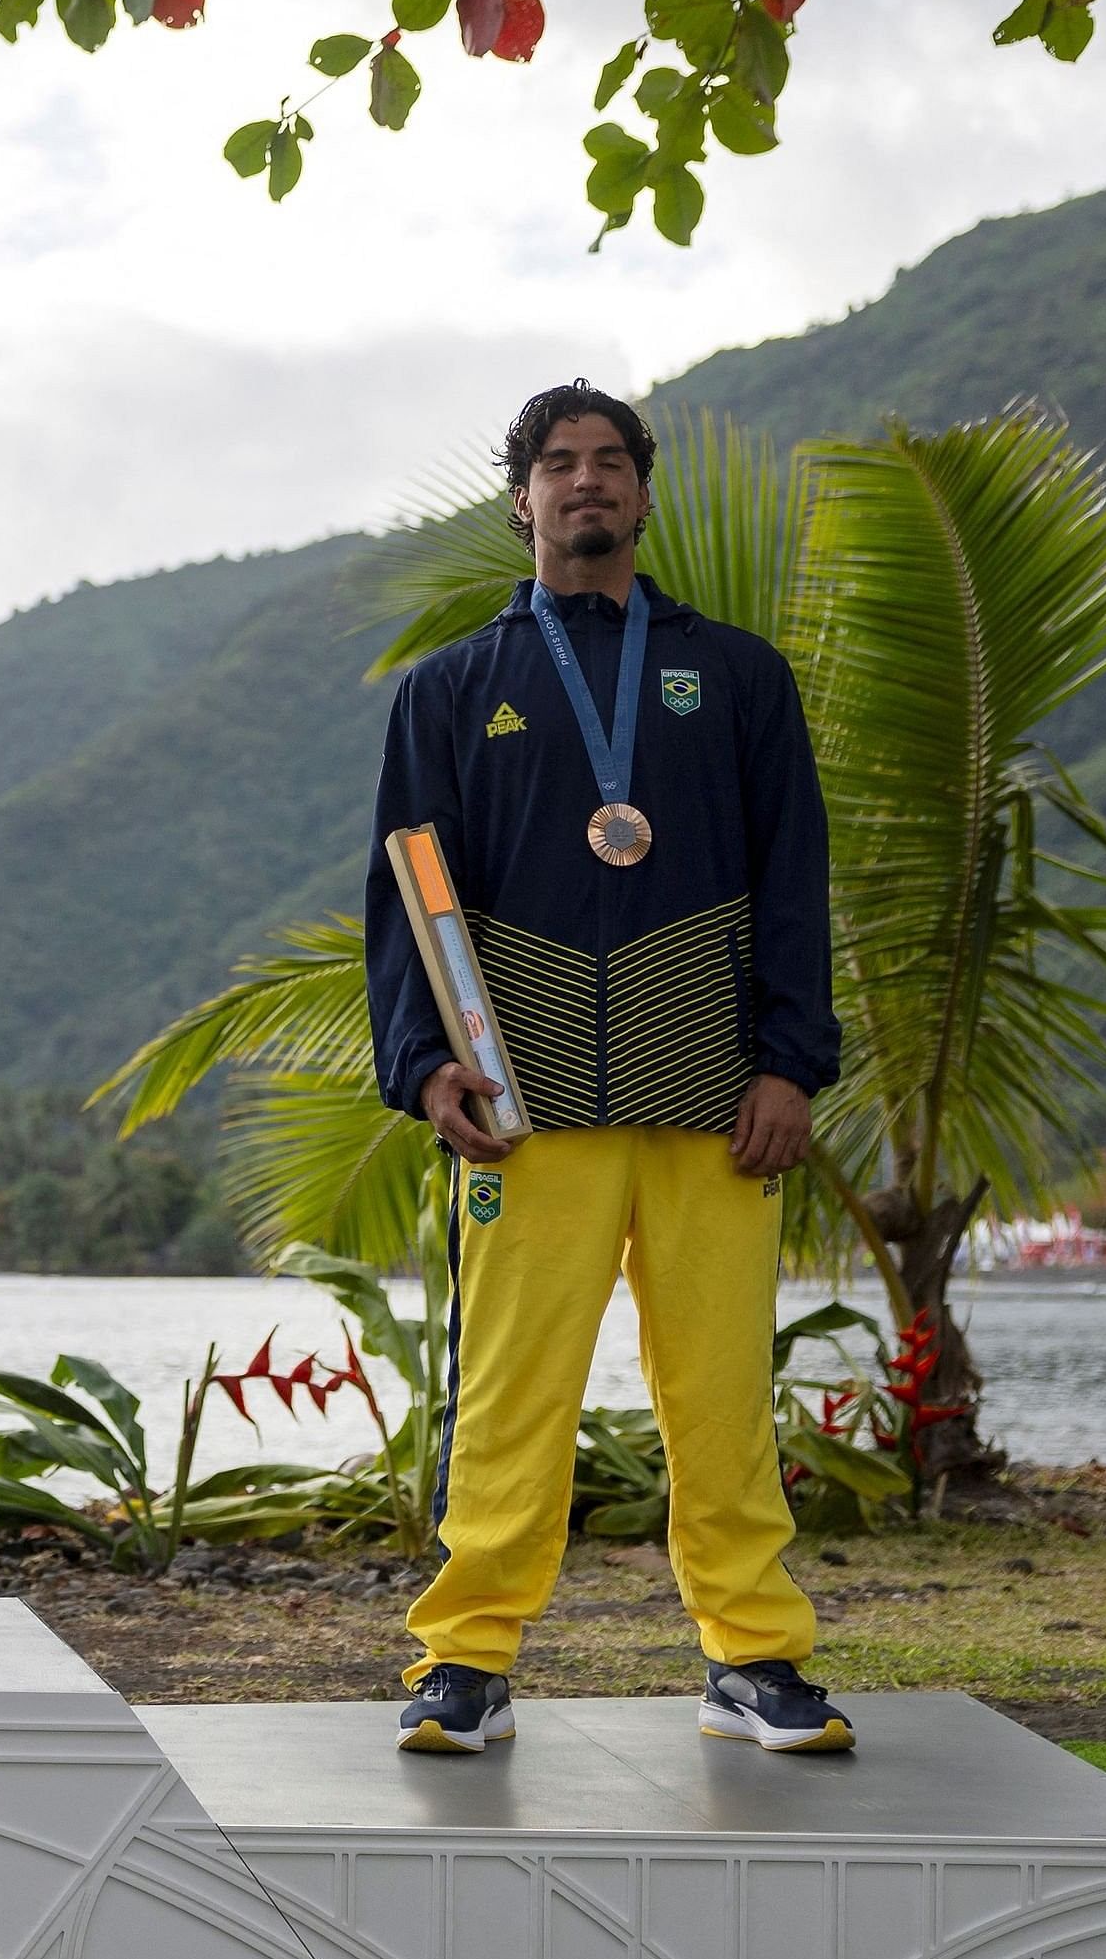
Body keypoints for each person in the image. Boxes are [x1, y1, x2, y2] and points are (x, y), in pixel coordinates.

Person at [366, 381, 851, 1756]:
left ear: (645, 491)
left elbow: (794, 878)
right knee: (512, 1390)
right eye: (559, 465)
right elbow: (405, 891)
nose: (586, 483)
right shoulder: (453, 687)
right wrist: (421, 1064)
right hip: (530, 1108)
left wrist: (790, 1064)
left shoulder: (739, 674)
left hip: (713, 1096)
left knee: (718, 1390)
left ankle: (752, 1654)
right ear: (519, 498)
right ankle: (465, 1660)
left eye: (610, 463)